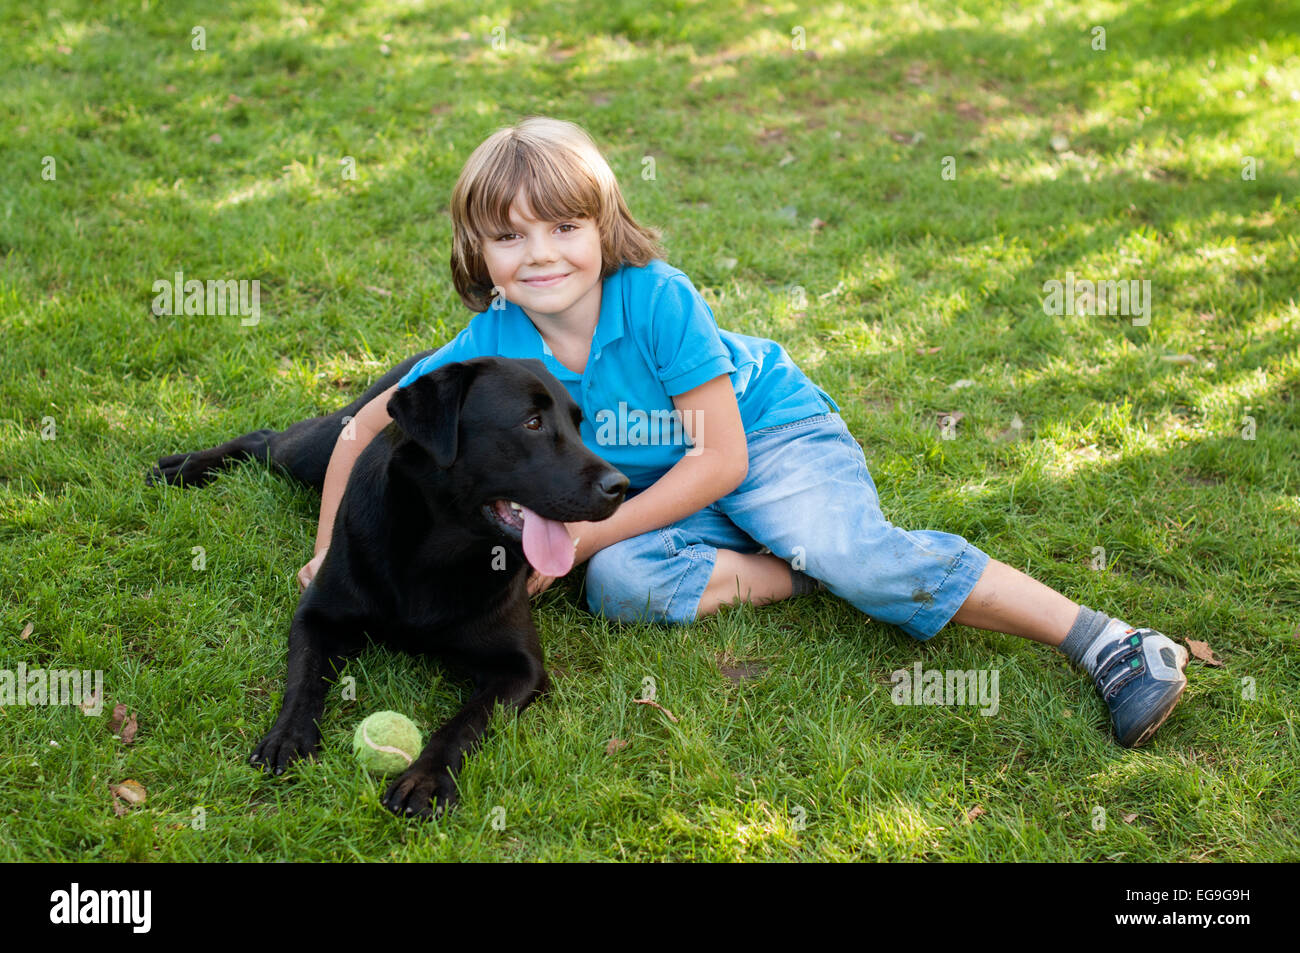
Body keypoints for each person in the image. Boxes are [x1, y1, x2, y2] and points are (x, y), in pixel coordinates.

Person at [298, 116, 1188, 748]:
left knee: (863, 554)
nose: (540, 255)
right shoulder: (491, 338)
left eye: (565, 227)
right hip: (659, 486)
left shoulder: (656, 299)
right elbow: (356, 434)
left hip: (765, 440)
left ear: (602, 227)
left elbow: (722, 457)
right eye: (509, 237)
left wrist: (578, 531)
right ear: (477, 252)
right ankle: (798, 571)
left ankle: (1104, 641)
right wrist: (326, 546)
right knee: (621, 585)